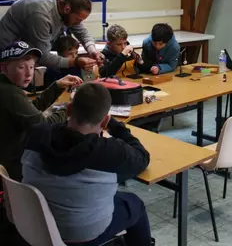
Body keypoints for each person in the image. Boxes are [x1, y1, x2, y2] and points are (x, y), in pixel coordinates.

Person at [22, 82, 152, 246]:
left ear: (68, 110)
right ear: (104, 121)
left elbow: (57, 131)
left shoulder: (37, 134)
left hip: (38, 225)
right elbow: (143, 158)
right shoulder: (109, 152)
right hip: (82, 234)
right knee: (135, 204)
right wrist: (116, 126)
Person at [0, 41, 82, 181]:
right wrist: (70, 107)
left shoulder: (6, 87)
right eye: (21, 67)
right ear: (4, 68)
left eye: (31, 67)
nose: (28, 73)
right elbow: (43, 124)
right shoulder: (11, 93)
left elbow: (30, 112)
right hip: (16, 167)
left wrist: (56, 86)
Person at [0, 0, 102, 70]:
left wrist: (92, 50)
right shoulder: (41, 13)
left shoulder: (66, 1)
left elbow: (81, 31)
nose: (78, 23)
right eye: (78, 19)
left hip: (24, 45)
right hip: (8, 48)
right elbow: (43, 56)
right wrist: (75, 62)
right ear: (67, 9)